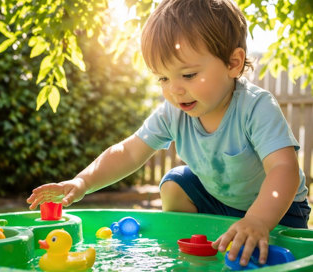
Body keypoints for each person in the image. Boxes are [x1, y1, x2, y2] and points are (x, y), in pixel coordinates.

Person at [27, 0, 311, 267]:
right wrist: (82, 181)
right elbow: (128, 152)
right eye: (163, 78)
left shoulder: (256, 106)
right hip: (221, 204)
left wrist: (259, 219)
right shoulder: (173, 112)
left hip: (281, 210)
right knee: (175, 182)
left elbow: (282, 168)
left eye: (187, 75)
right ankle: (193, 252)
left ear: (233, 63)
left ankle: (250, 234)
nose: (174, 89)